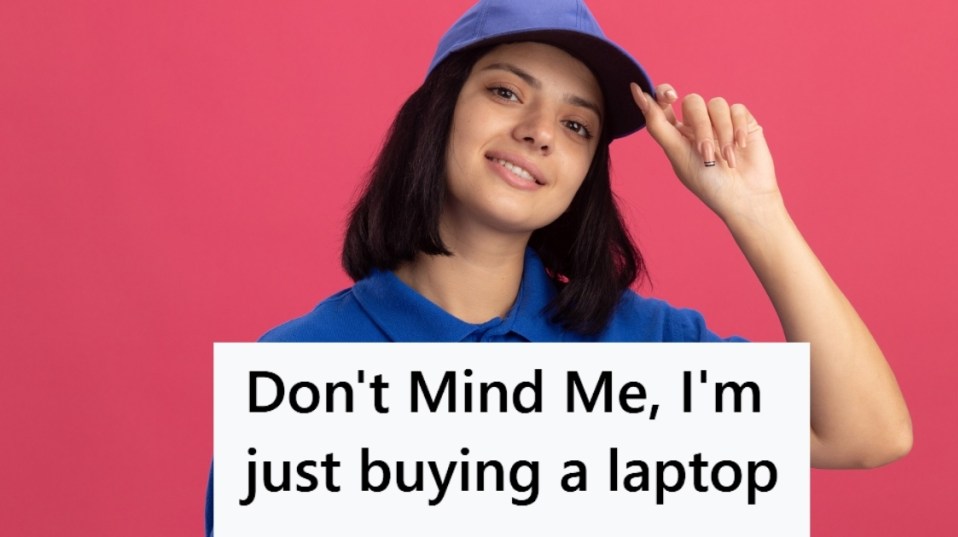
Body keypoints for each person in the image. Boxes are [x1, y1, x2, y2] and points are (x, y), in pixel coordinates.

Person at [205, 0, 912, 534]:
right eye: (506, 91)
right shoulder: (302, 369)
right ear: (439, 114)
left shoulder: (646, 351)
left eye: (577, 125)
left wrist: (755, 212)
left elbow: (868, 433)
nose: (540, 131)